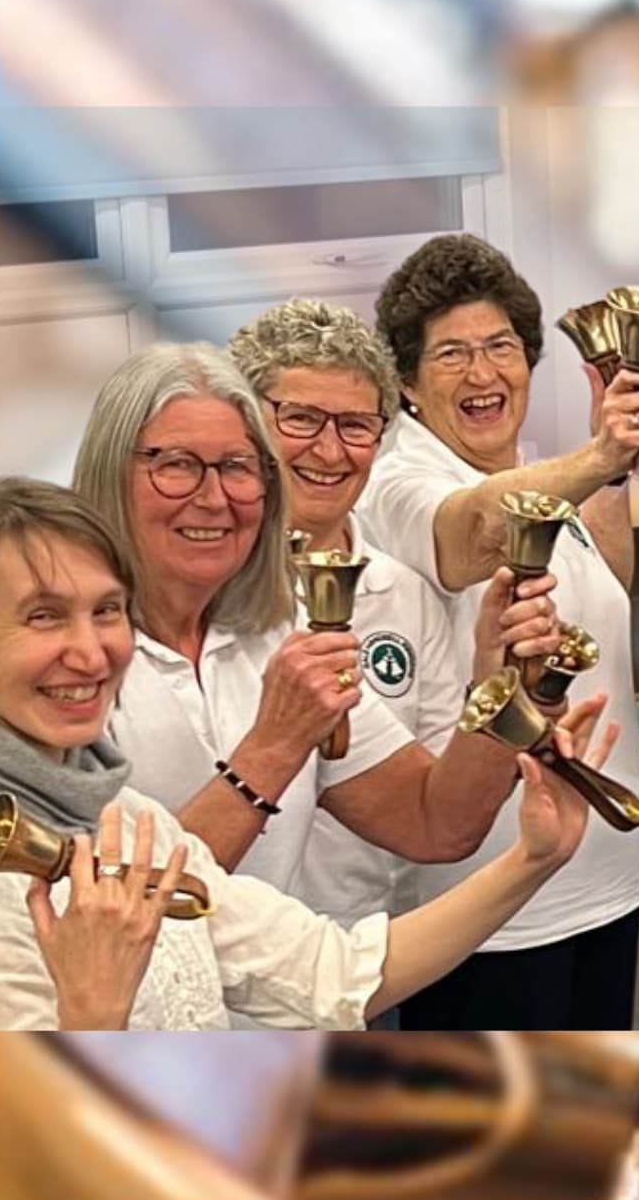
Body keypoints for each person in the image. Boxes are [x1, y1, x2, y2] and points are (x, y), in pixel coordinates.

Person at [0, 479, 604, 1028]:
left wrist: (531, 860)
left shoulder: (113, 811)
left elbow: (329, 974)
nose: (90, 653)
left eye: (107, 610)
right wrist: (95, 1018)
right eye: (43, 615)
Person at [70, 344, 543, 915]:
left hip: (288, 999)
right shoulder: (68, 658)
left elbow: (435, 822)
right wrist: (273, 747)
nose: (214, 498)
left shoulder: (276, 633)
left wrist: (499, 687)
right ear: (109, 470)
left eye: (237, 467)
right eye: (176, 465)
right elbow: (115, 906)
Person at [358, 234, 639, 1026]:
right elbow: (472, 533)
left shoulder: (530, 471)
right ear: (408, 383)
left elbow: (608, 590)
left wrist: (612, 469)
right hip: (486, 907)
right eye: (451, 354)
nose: (483, 373)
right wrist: (603, 452)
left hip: (602, 873)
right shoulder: (399, 481)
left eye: (500, 348)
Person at [229, 298, 559, 932]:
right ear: (247, 425)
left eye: (356, 425)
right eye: (300, 418)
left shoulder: (403, 593)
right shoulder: (201, 597)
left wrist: (499, 687)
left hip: (367, 948)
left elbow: (441, 806)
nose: (330, 450)